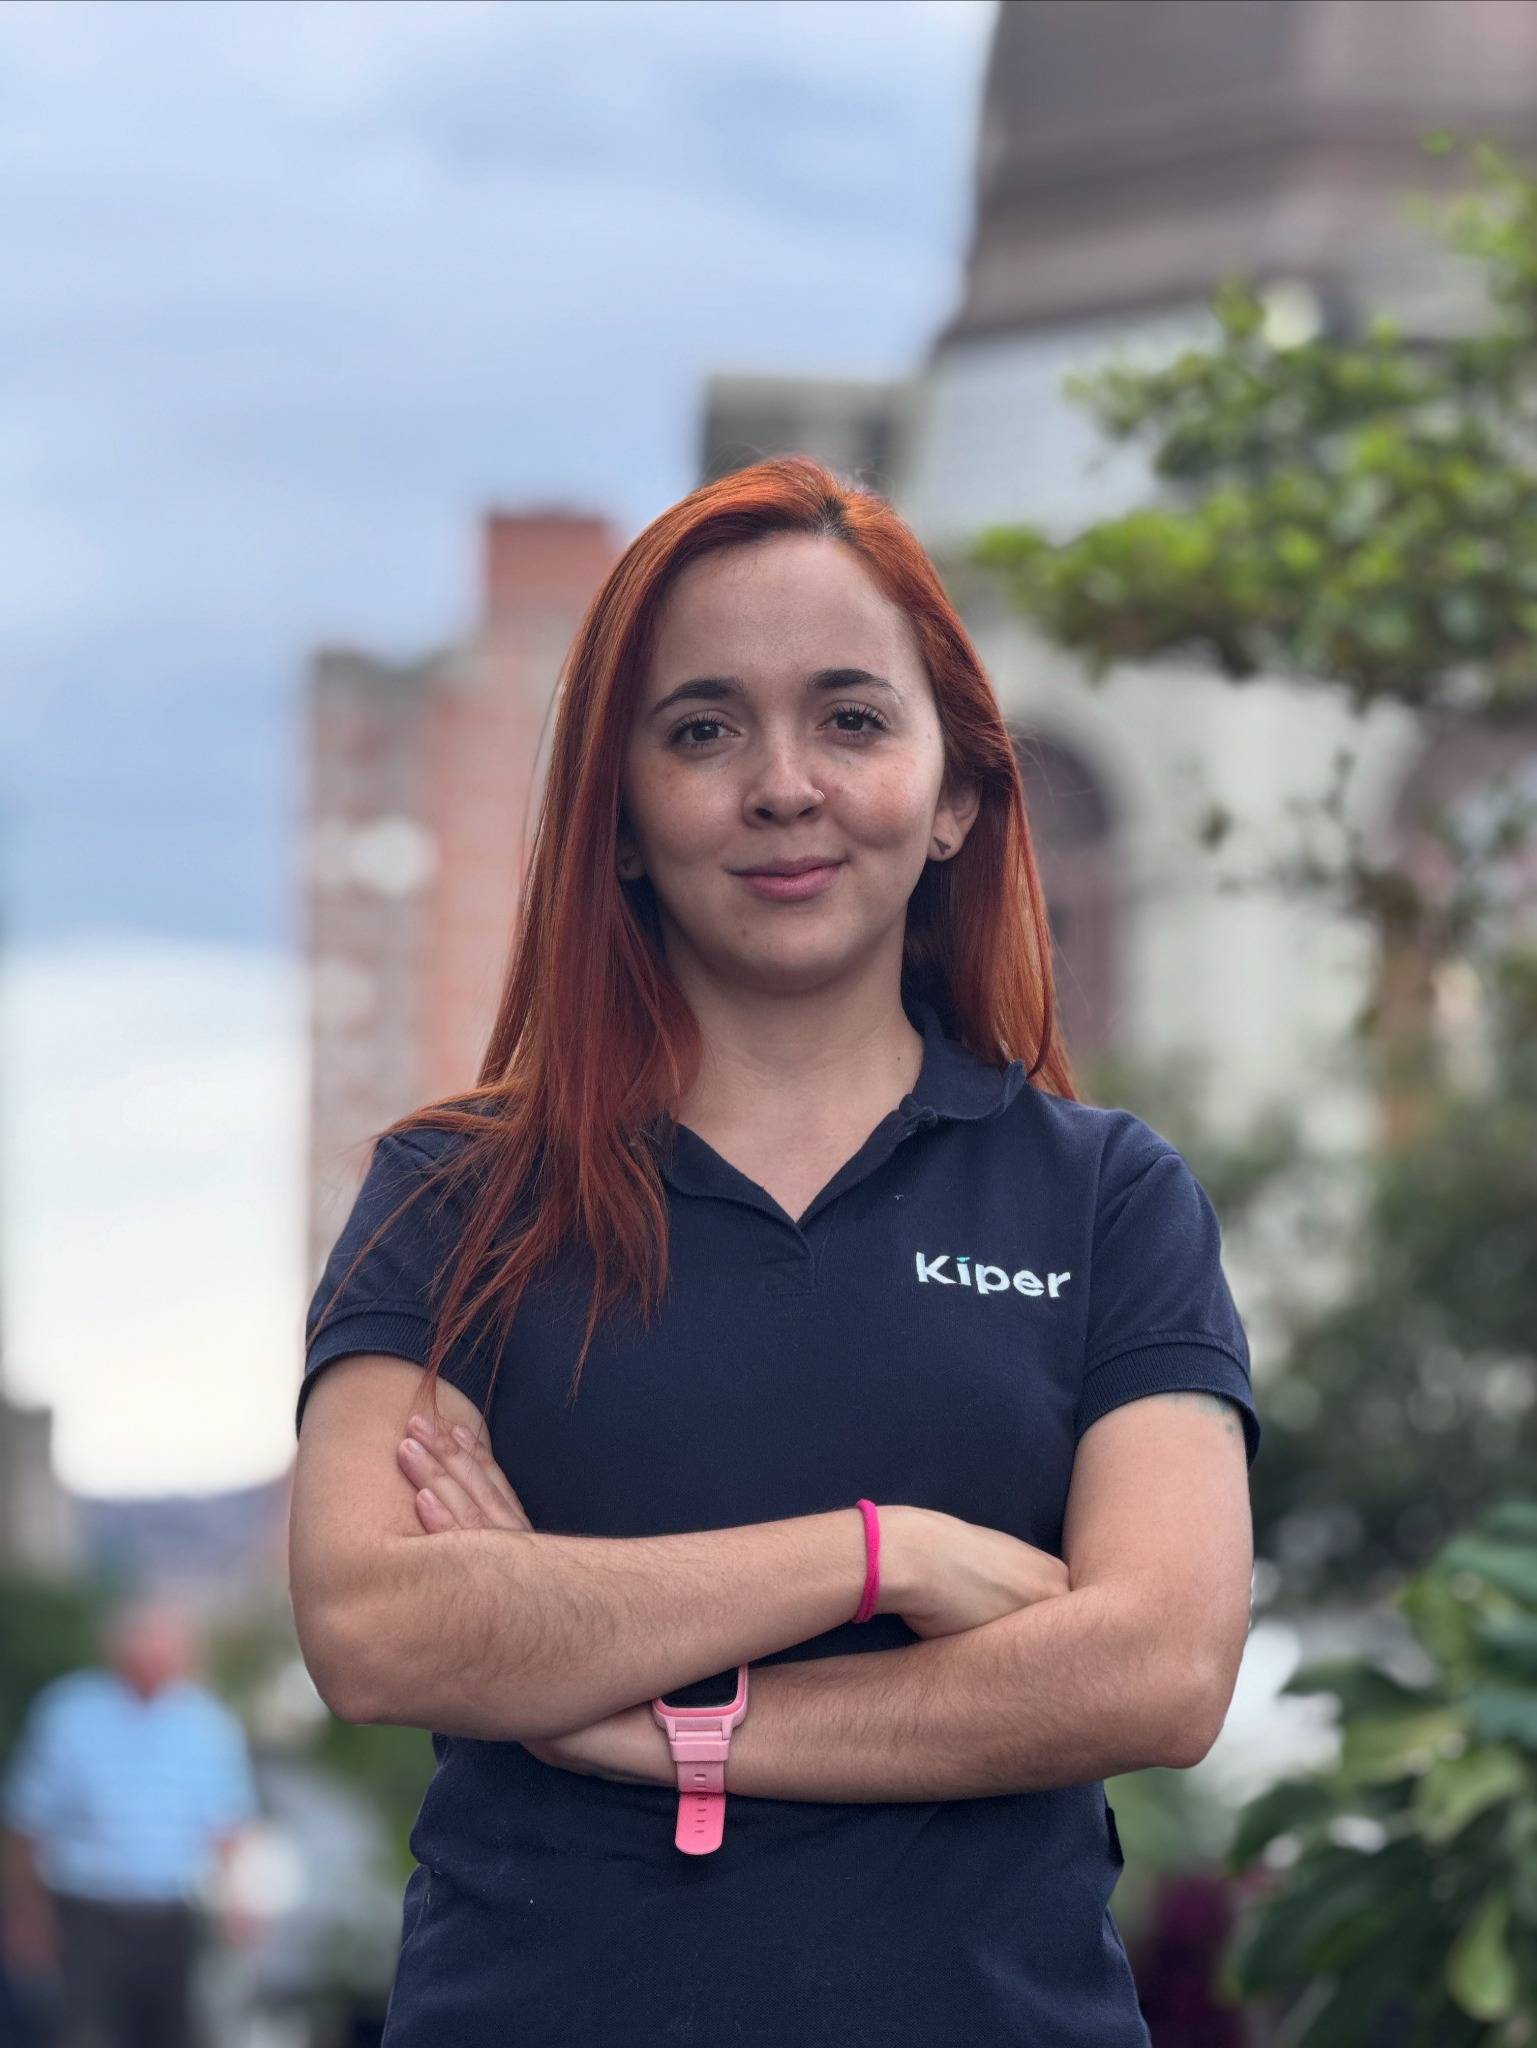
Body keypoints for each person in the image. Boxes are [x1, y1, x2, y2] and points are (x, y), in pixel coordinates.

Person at [289, 454, 1261, 2047]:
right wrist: (887, 1555)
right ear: (614, 814)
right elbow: (378, 1628)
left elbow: (1156, 1667)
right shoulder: (453, 1195)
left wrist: (653, 1723)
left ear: (957, 794)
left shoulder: (1104, 1199)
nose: (783, 784)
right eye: (702, 729)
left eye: (852, 718)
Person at [1, 1591, 262, 2048]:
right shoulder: (68, 1713)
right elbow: (26, 1824)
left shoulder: (207, 1724)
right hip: (85, 1913)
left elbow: (227, 1827)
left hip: (171, 1916)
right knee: (84, 2033)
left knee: (175, 2033)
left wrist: (238, 1902)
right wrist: (24, 1913)